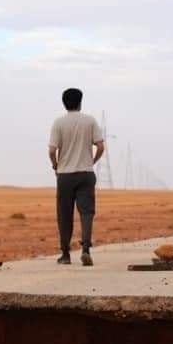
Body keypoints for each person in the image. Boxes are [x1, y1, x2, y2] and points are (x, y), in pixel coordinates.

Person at [48, 87, 105, 266]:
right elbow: (101, 146)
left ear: (64, 103)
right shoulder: (90, 121)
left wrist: (55, 165)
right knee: (87, 212)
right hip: (86, 174)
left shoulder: (58, 123)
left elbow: (51, 150)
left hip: (65, 175)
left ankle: (65, 255)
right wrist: (91, 162)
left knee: (64, 214)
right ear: (80, 102)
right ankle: (86, 249)